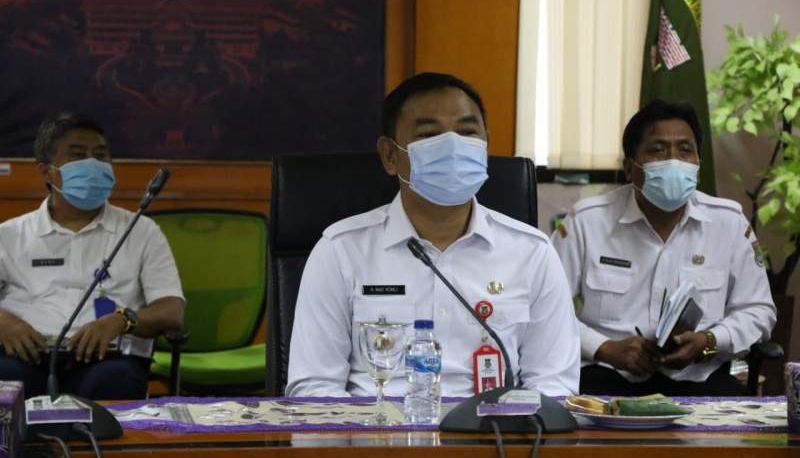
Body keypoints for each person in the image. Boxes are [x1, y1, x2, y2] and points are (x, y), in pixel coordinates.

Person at [287, 72, 580, 398]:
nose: (453, 147)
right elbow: (314, 389)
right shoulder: (340, 252)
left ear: (485, 145)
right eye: (429, 135)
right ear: (390, 155)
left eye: (468, 132)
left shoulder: (532, 252)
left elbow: (554, 387)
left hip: (494, 439)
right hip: (377, 439)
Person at [551, 100, 776, 396]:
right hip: (606, 377)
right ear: (630, 168)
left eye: (685, 149)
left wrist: (709, 341)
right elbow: (546, 310)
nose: (674, 161)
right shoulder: (586, 221)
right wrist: (604, 348)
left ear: (697, 163)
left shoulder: (729, 223)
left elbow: (757, 310)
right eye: (658, 149)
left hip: (700, 379)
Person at [0, 112, 185, 399]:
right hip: (22, 358)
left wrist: (122, 321)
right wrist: (5, 323)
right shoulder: (10, 235)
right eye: (78, 155)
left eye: (100, 155)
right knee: (8, 382)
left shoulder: (140, 230)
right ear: (46, 171)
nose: (93, 164)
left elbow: (172, 310)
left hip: (108, 360)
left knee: (111, 383)